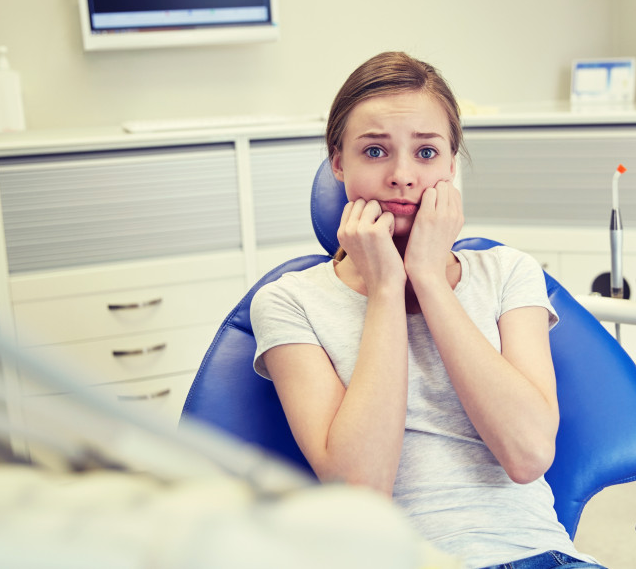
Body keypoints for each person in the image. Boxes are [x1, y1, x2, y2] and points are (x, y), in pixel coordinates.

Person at [250, 52, 609, 569]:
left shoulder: (508, 272)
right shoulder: (288, 301)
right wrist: (386, 291)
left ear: (451, 164)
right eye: (374, 151)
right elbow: (362, 491)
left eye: (425, 152)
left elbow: (529, 455)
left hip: (543, 555)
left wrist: (429, 279)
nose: (402, 176)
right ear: (337, 162)